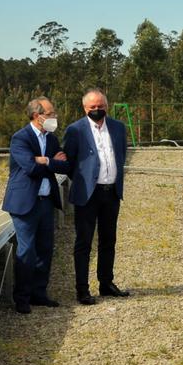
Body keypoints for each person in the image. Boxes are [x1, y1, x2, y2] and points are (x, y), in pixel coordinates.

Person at [2, 96, 72, 313]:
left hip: (45, 201)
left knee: (45, 249)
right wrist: (50, 162)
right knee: (26, 251)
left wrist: (46, 161)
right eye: (50, 114)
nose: (54, 117)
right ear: (37, 116)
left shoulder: (51, 139)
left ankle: (39, 293)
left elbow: (65, 166)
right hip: (25, 203)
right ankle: (22, 298)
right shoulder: (20, 139)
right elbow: (30, 169)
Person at [63, 89, 129, 306]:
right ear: (85, 108)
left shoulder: (118, 127)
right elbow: (70, 164)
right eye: (92, 107)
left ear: (106, 106)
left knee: (108, 240)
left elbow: (121, 155)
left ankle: (106, 283)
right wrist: (85, 182)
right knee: (84, 242)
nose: (97, 110)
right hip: (88, 195)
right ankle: (82, 289)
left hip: (111, 193)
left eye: (100, 106)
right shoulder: (75, 130)